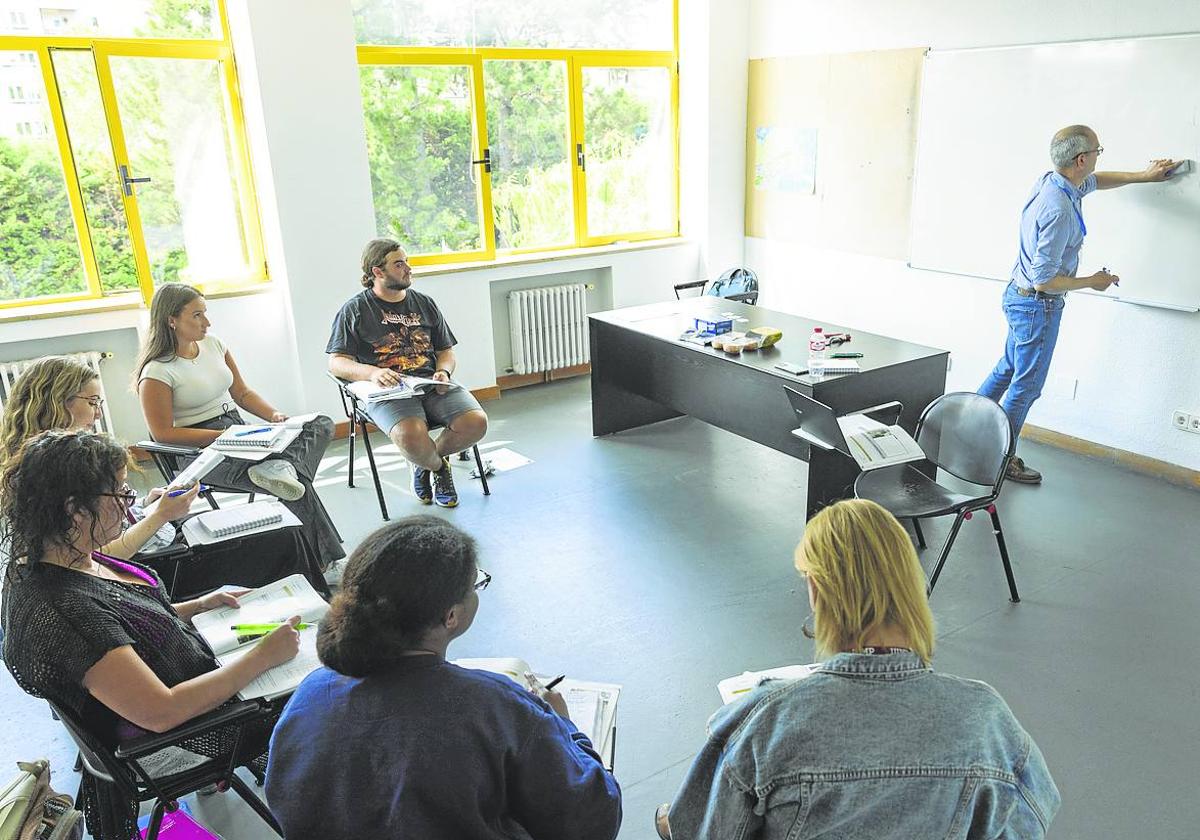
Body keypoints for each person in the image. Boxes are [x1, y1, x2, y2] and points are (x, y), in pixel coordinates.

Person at [659, 499, 1060, 840]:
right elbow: (1031, 818)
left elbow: (702, 829)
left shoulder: (764, 721)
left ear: (817, 590)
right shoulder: (986, 718)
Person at [0, 430, 302, 840]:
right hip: (194, 727)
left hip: (194, 677)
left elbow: (121, 632)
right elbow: (162, 711)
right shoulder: (63, 609)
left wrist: (196, 607)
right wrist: (262, 658)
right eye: (120, 495)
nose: (129, 508)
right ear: (75, 510)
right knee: (330, 685)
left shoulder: (67, 557)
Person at [265, 516, 622, 839]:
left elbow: (286, 801)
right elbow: (592, 819)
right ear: (451, 616)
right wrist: (566, 727)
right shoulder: (495, 706)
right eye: (475, 585)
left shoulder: (311, 692)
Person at [0, 355, 327, 595]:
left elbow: (98, 523)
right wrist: (158, 517)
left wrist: (144, 505)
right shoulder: (53, 471)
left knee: (281, 525)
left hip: (149, 537)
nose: (99, 411)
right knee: (284, 538)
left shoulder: (53, 456)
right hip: (142, 567)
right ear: (59, 402)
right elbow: (97, 561)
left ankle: (310, 607)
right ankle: (317, 612)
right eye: (93, 401)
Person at [978, 126, 1180, 484]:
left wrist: (1144, 177)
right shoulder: (1058, 209)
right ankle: (999, 459)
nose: (1100, 156)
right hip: (1038, 305)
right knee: (1026, 387)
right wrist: (1093, 281)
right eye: (1098, 150)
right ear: (1081, 159)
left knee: (1007, 371)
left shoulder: (1056, 182)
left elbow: (1098, 180)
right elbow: (1045, 280)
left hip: (1019, 297)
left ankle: (968, 434)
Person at [135, 283, 345, 569]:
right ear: (171, 320)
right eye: (197, 315)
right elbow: (163, 434)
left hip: (238, 431)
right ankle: (325, 561)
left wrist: (275, 417)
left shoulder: (214, 345)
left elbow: (243, 394)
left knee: (320, 423)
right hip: (201, 451)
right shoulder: (157, 371)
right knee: (295, 484)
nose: (207, 322)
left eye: (205, 313)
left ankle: (280, 467)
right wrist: (224, 437)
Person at [326, 238, 488, 508]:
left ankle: (425, 463)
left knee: (476, 422)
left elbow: (446, 351)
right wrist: (372, 373)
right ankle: (437, 469)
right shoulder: (354, 310)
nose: (408, 269)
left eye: (407, 262)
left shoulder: (424, 303)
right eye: (399, 264)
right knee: (410, 434)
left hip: (430, 383)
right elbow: (337, 363)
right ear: (378, 272)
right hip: (387, 390)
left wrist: (443, 371)